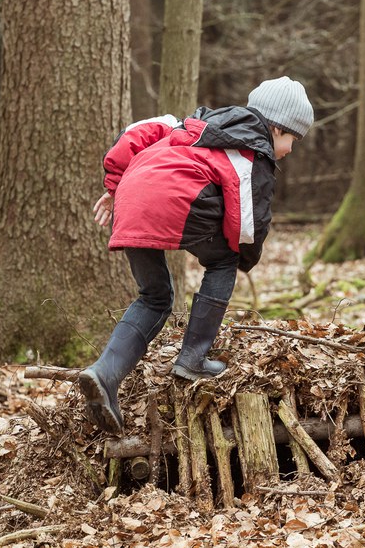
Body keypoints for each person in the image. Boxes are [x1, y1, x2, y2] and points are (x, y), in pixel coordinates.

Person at [78, 77, 314, 435]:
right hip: (177, 201)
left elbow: (140, 131)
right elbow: (250, 225)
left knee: (155, 297)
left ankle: (104, 374)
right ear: (277, 128)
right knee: (224, 261)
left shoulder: (199, 122)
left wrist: (114, 186)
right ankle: (192, 359)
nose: (290, 150)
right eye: (292, 140)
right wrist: (244, 261)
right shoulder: (254, 151)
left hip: (132, 195)